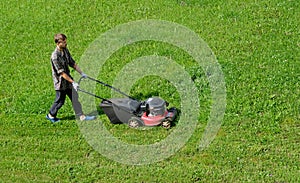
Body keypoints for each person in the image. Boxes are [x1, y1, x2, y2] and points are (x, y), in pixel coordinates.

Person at [46, 33, 96, 122]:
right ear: (58, 43)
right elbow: (61, 73)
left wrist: (82, 73)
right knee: (60, 101)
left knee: (74, 97)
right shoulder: (55, 56)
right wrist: (73, 82)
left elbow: (72, 63)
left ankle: (81, 116)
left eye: (66, 41)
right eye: (64, 42)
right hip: (60, 82)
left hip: (68, 80)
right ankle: (51, 115)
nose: (66, 43)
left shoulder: (65, 50)